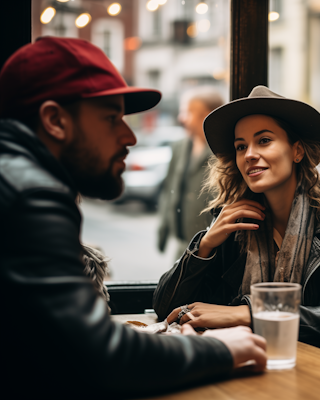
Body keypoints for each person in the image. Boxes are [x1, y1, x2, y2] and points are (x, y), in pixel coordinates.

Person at [0, 37, 267, 398]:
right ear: (54, 120)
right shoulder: (32, 194)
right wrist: (221, 348)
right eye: (112, 118)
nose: (129, 137)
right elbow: (97, 356)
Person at [153, 86, 320, 347]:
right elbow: (165, 307)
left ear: (297, 151)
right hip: (245, 360)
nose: (249, 154)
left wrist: (246, 313)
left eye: (263, 140)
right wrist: (204, 246)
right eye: (241, 146)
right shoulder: (233, 220)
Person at [157, 87, 224, 257]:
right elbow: (169, 188)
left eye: (187, 112)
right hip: (182, 246)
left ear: (206, 116)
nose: (181, 118)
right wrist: (163, 230)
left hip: (215, 250)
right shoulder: (179, 147)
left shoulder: (224, 151)